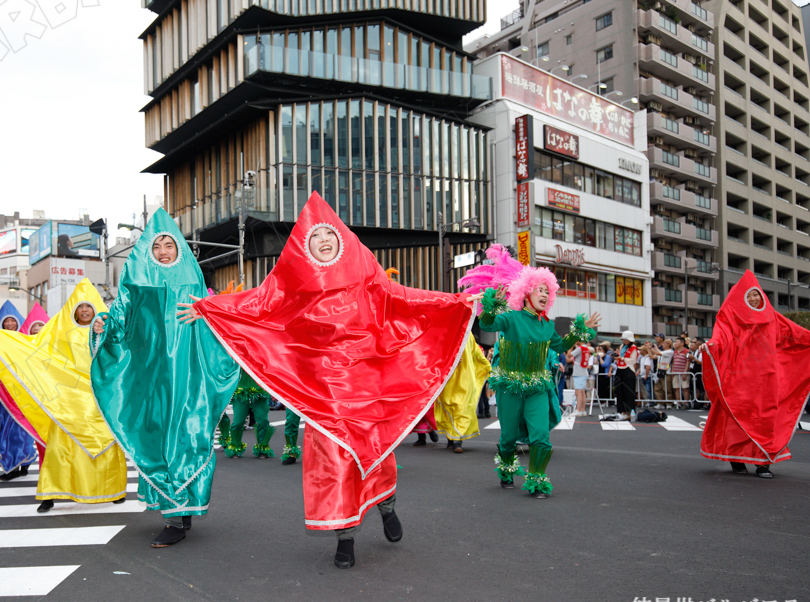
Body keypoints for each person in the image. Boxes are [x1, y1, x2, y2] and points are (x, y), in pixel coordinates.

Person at [178, 192, 475, 569]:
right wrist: (209, 307)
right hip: (321, 389)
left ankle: (387, 506)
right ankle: (345, 537)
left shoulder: (366, 270)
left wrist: (455, 302)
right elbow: (257, 303)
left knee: (375, 451)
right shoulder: (292, 280)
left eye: (329, 234)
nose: (323, 240)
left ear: (340, 238)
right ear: (305, 244)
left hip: (367, 379)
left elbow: (401, 298)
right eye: (316, 236)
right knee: (333, 461)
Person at [91, 215, 239, 547]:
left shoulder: (193, 281)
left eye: (168, 244)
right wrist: (103, 324)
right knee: (158, 440)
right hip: (151, 380)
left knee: (187, 439)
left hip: (189, 381)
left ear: (179, 248)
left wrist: (206, 313)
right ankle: (174, 515)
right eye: (156, 246)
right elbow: (120, 318)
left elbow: (218, 318)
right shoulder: (136, 282)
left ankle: (180, 511)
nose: (162, 250)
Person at [464, 245, 599, 499]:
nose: (545, 295)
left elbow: (560, 346)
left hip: (537, 386)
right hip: (510, 387)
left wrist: (580, 331)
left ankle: (536, 480)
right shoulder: (511, 317)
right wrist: (492, 305)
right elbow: (488, 322)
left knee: (540, 437)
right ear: (526, 292)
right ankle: (506, 470)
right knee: (508, 437)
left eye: (548, 291)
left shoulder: (547, 325)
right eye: (541, 290)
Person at [0, 280, 127, 511]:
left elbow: (121, 355)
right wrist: (2, 341)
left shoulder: (109, 329)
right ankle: (50, 494)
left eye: (89, 306)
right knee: (60, 446)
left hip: (97, 397)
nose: (85, 310)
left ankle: (113, 489)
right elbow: (35, 350)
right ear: (74, 309)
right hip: (66, 399)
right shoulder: (58, 331)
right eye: (81, 306)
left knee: (105, 442)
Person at [700, 271, 810, 478]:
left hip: (768, 378)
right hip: (740, 378)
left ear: (761, 295)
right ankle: (737, 457)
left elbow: (796, 335)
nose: (752, 299)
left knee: (765, 418)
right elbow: (721, 336)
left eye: (755, 294)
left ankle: (763, 462)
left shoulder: (773, 318)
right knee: (737, 418)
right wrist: (712, 345)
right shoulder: (730, 316)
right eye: (747, 295)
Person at [0, 302, 36, 481]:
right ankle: (11, 466)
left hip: (23, 393)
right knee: (5, 429)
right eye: (7, 321)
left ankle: (24, 462)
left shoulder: (25, 342)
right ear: (1, 324)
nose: (10, 324)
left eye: (13, 321)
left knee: (24, 429)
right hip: (2, 394)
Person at [614, 332, 639, 420]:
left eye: (625, 339)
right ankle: (621, 411)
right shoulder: (622, 346)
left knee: (629, 392)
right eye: (623, 339)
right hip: (619, 369)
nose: (624, 340)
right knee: (619, 391)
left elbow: (633, 361)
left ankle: (629, 411)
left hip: (628, 369)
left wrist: (622, 358)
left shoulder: (634, 348)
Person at [569, 341, 591, 416]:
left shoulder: (580, 348)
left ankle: (578, 410)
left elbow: (569, 355)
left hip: (579, 372)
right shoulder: (586, 348)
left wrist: (571, 346)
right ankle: (582, 410)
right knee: (582, 392)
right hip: (583, 371)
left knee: (578, 392)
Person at [652, 339, 674, 407]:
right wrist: (648, 349)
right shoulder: (663, 351)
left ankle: (669, 403)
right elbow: (653, 356)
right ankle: (660, 403)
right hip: (659, 371)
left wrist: (653, 348)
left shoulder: (670, 351)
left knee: (667, 388)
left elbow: (658, 353)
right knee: (658, 388)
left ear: (668, 344)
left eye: (664, 343)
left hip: (666, 372)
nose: (663, 344)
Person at [670, 337, 690, 409]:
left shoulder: (686, 351)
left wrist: (685, 373)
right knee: (676, 388)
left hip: (683, 372)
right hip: (675, 372)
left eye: (677, 342)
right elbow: (673, 362)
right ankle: (678, 403)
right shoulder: (675, 351)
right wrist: (672, 372)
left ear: (682, 343)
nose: (675, 343)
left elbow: (688, 362)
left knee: (685, 388)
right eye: (675, 342)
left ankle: (686, 403)